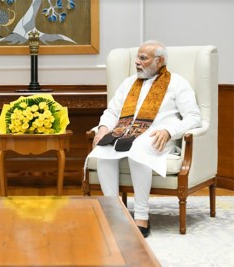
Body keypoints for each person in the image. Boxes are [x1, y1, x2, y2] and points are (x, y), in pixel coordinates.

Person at [87, 40, 202, 237]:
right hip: (123, 133)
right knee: (104, 149)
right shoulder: (128, 83)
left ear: (160, 61)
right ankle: (113, 212)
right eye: (137, 58)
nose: (137, 63)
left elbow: (194, 117)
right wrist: (103, 128)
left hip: (157, 138)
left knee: (137, 149)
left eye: (143, 58)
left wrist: (168, 131)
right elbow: (112, 111)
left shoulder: (177, 83)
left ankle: (141, 216)